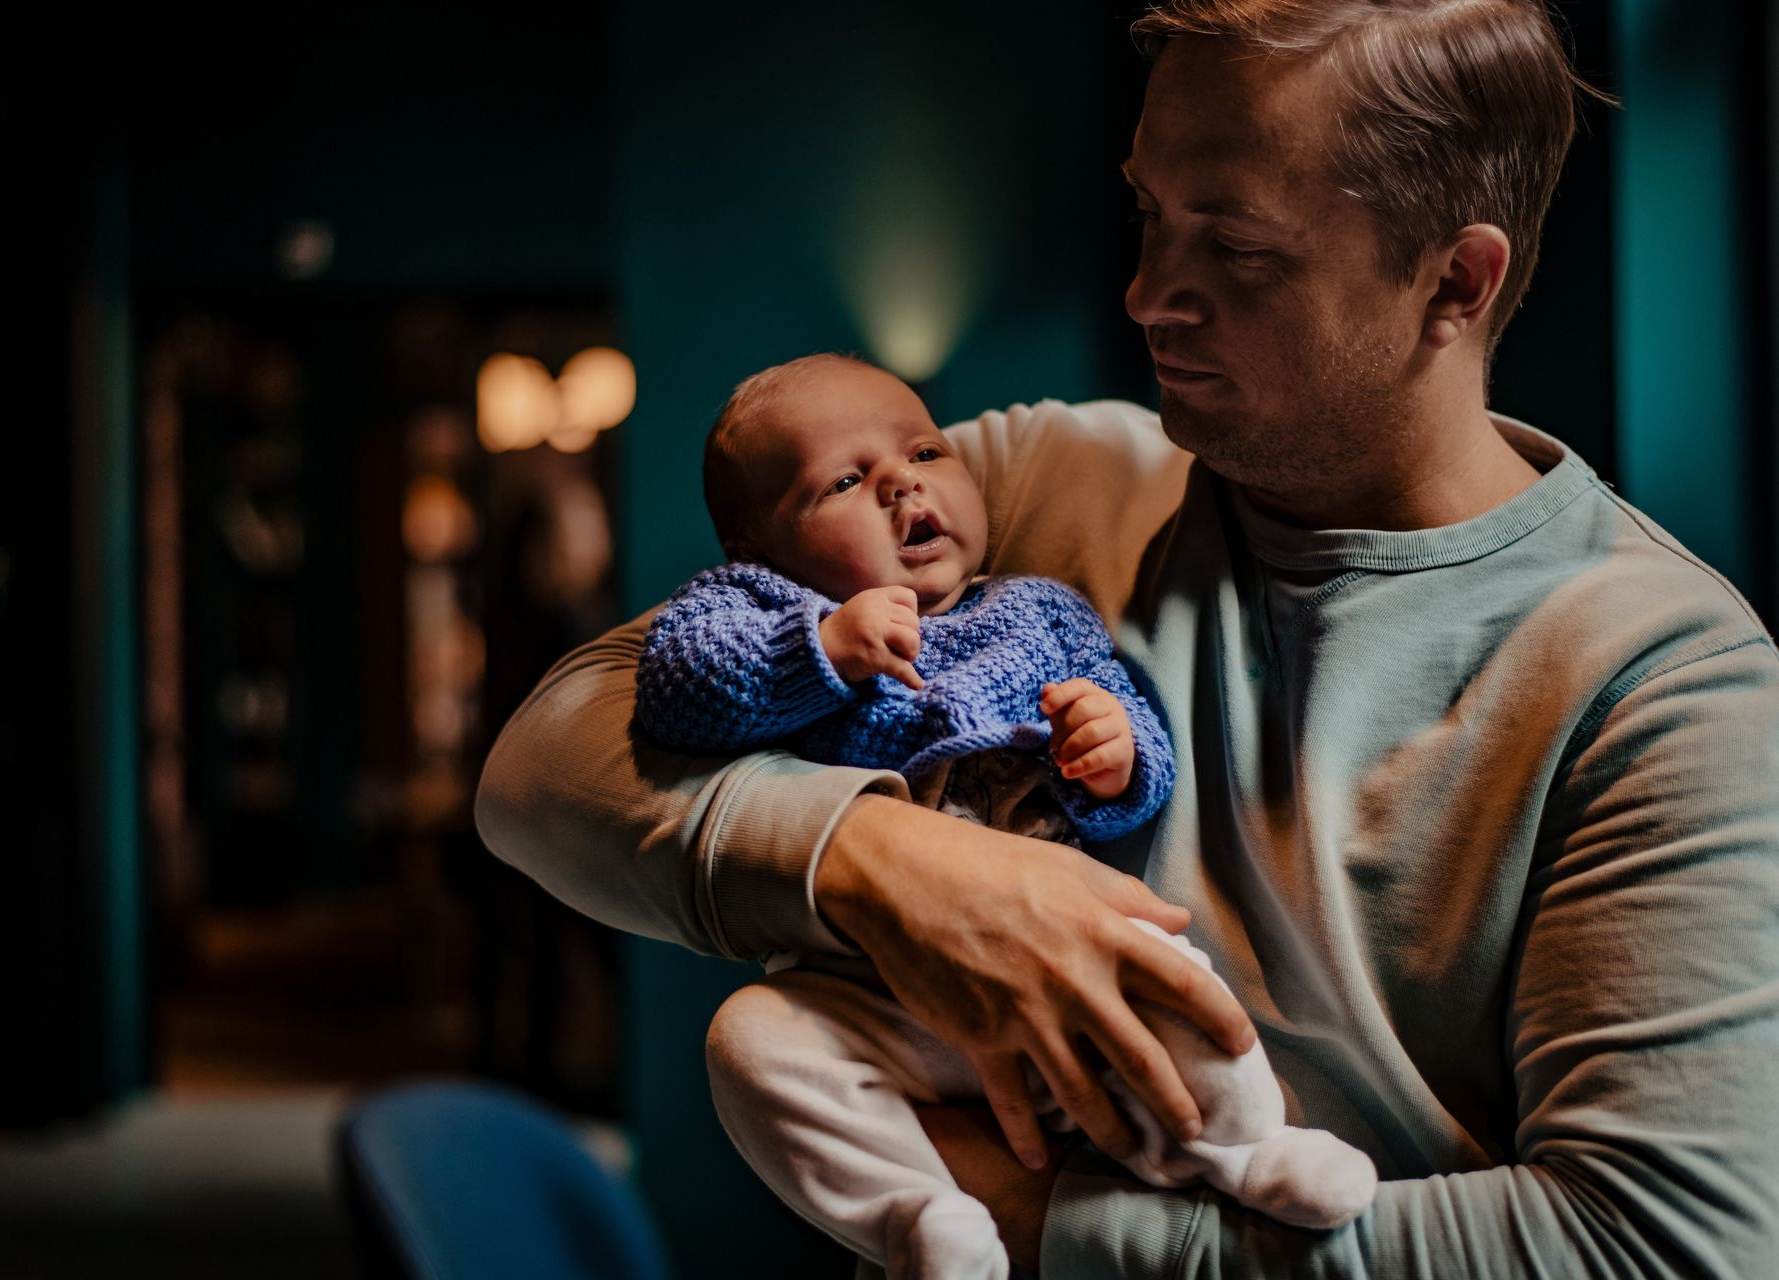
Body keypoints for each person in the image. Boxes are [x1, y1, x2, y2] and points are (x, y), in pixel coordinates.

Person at [478, 1, 1779, 1275]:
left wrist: (1034, 1227)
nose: (1150, 293)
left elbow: (1661, 1245)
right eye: (1151, 213)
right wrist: (891, 865)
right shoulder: (1052, 476)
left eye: (1237, 247)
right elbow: (542, 768)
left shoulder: (1666, 679)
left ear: (1455, 279)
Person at [635, 353, 1377, 1278]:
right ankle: (917, 1216)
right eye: (845, 480)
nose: (901, 481)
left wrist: (1111, 754)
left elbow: (1129, 728)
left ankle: (1238, 1148)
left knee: (1177, 978)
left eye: (924, 451)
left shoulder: (1037, 612)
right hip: (870, 990)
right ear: (756, 549)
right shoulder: (754, 607)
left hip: (1064, 960)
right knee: (749, 1043)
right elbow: (678, 689)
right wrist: (821, 647)